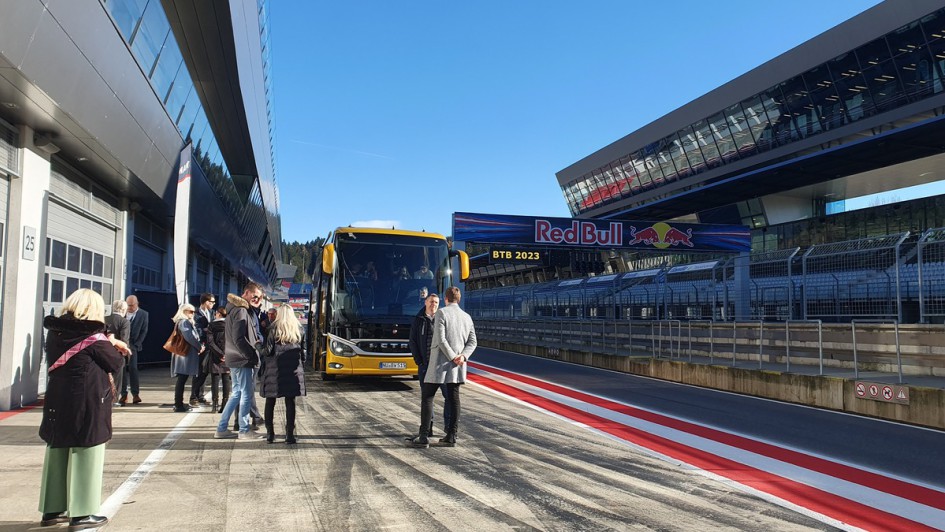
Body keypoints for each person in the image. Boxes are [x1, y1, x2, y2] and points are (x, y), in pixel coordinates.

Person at [38, 289, 130, 530]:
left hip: (57, 400)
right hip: (87, 401)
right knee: (87, 452)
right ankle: (82, 513)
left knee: (57, 451)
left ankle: (52, 509)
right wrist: (113, 343)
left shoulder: (55, 333)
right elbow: (115, 363)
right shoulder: (94, 337)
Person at [412, 286, 477, 448]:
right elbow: (473, 342)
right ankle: (451, 436)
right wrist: (462, 356)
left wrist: (452, 356)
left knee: (427, 397)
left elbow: (440, 340)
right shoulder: (467, 317)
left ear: (446, 299)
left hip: (438, 364)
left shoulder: (441, 313)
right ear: (459, 299)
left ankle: (424, 436)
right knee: (454, 399)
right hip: (457, 366)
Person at [214, 282, 266, 440]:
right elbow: (239, 338)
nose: (257, 299)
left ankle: (222, 428)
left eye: (260, 298)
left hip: (235, 357)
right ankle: (244, 430)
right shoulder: (242, 311)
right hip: (242, 359)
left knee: (237, 393)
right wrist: (250, 355)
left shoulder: (235, 309)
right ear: (246, 293)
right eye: (255, 296)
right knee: (245, 394)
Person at [408, 292, 452, 442]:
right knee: (427, 399)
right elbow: (413, 341)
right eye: (431, 302)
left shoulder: (443, 318)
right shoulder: (418, 320)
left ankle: (448, 428)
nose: (434, 305)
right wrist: (419, 361)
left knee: (448, 397)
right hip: (426, 366)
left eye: (436, 303)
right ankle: (428, 428)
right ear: (425, 302)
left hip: (442, 366)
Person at [258, 305, 306, 444]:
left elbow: (267, 351)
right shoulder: (299, 329)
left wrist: (258, 346)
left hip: (274, 370)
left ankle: (270, 434)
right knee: (290, 402)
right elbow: (303, 352)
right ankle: (289, 435)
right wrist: (300, 365)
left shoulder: (273, 329)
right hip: (292, 371)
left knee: (270, 401)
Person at [170, 303, 203, 413]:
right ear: (184, 311)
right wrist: (199, 346)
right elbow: (189, 337)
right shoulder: (184, 322)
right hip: (185, 354)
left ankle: (178, 403)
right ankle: (178, 404)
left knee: (182, 378)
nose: (193, 314)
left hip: (184, 353)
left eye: (194, 312)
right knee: (182, 378)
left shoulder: (183, 322)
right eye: (190, 311)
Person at [189, 293, 216, 406]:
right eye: (212, 302)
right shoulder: (196, 314)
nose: (213, 304)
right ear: (206, 302)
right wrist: (205, 331)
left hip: (211, 345)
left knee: (205, 371)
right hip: (201, 345)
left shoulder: (212, 313)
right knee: (199, 370)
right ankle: (193, 396)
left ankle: (200, 395)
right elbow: (196, 329)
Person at [122, 294, 149, 405]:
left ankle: (135, 394)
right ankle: (123, 394)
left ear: (137, 304)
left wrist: (137, 344)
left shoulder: (143, 314)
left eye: (132, 305)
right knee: (122, 369)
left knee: (133, 368)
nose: (129, 307)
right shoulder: (122, 312)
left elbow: (144, 330)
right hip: (122, 344)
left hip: (133, 344)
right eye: (128, 305)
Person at [104, 300, 131, 408]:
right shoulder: (124, 322)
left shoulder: (104, 319)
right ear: (124, 310)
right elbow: (124, 339)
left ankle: (104, 398)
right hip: (117, 353)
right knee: (117, 378)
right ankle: (114, 400)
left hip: (103, 351)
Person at [206, 307, 230, 413]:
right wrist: (226, 354)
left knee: (215, 379)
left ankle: (215, 404)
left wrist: (219, 353)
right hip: (228, 355)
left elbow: (210, 342)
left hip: (215, 355)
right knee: (226, 379)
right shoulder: (230, 325)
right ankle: (225, 404)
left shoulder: (211, 325)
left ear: (219, 314)